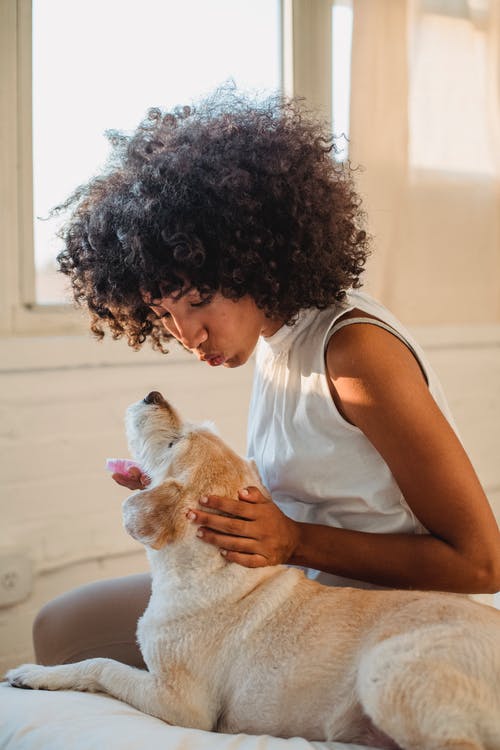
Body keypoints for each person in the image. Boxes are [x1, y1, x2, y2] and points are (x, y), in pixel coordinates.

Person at [34, 89, 500, 668]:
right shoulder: (277, 342)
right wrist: (181, 482)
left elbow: (480, 563)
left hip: (378, 623)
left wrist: (296, 541)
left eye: (199, 302)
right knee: (60, 625)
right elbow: (306, 497)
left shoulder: (355, 354)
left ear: (249, 261)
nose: (188, 336)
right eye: (163, 314)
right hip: (290, 595)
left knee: (73, 636)